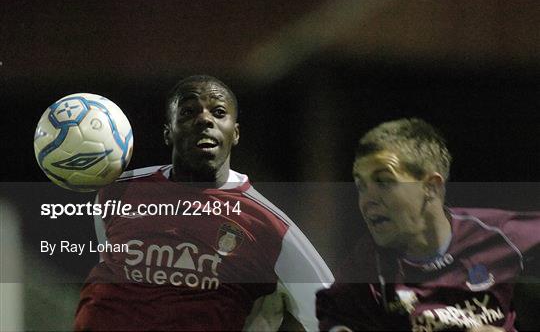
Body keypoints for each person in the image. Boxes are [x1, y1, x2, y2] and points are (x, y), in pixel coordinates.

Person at [75, 75, 334, 331]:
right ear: (168, 132)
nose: (205, 120)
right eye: (188, 112)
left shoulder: (267, 226)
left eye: (219, 112)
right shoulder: (118, 192)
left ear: (235, 133)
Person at [316, 118, 539, 332]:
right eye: (361, 186)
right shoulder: (367, 267)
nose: (367, 200)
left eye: (384, 182)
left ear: (431, 187)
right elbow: (331, 315)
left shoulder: (497, 234)